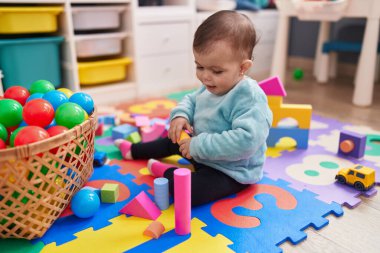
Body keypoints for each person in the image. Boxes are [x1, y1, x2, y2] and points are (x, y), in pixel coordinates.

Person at [115, 10, 273, 206]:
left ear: (242, 68)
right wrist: (181, 116)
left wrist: (198, 146)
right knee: (172, 138)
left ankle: (165, 172)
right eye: (200, 67)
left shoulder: (249, 97)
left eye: (216, 70)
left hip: (231, 170)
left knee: (189, 193)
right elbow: (191, 100)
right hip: (199, 151)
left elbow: (246, 141)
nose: (205, 77)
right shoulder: (212, 84)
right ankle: (134, 150)